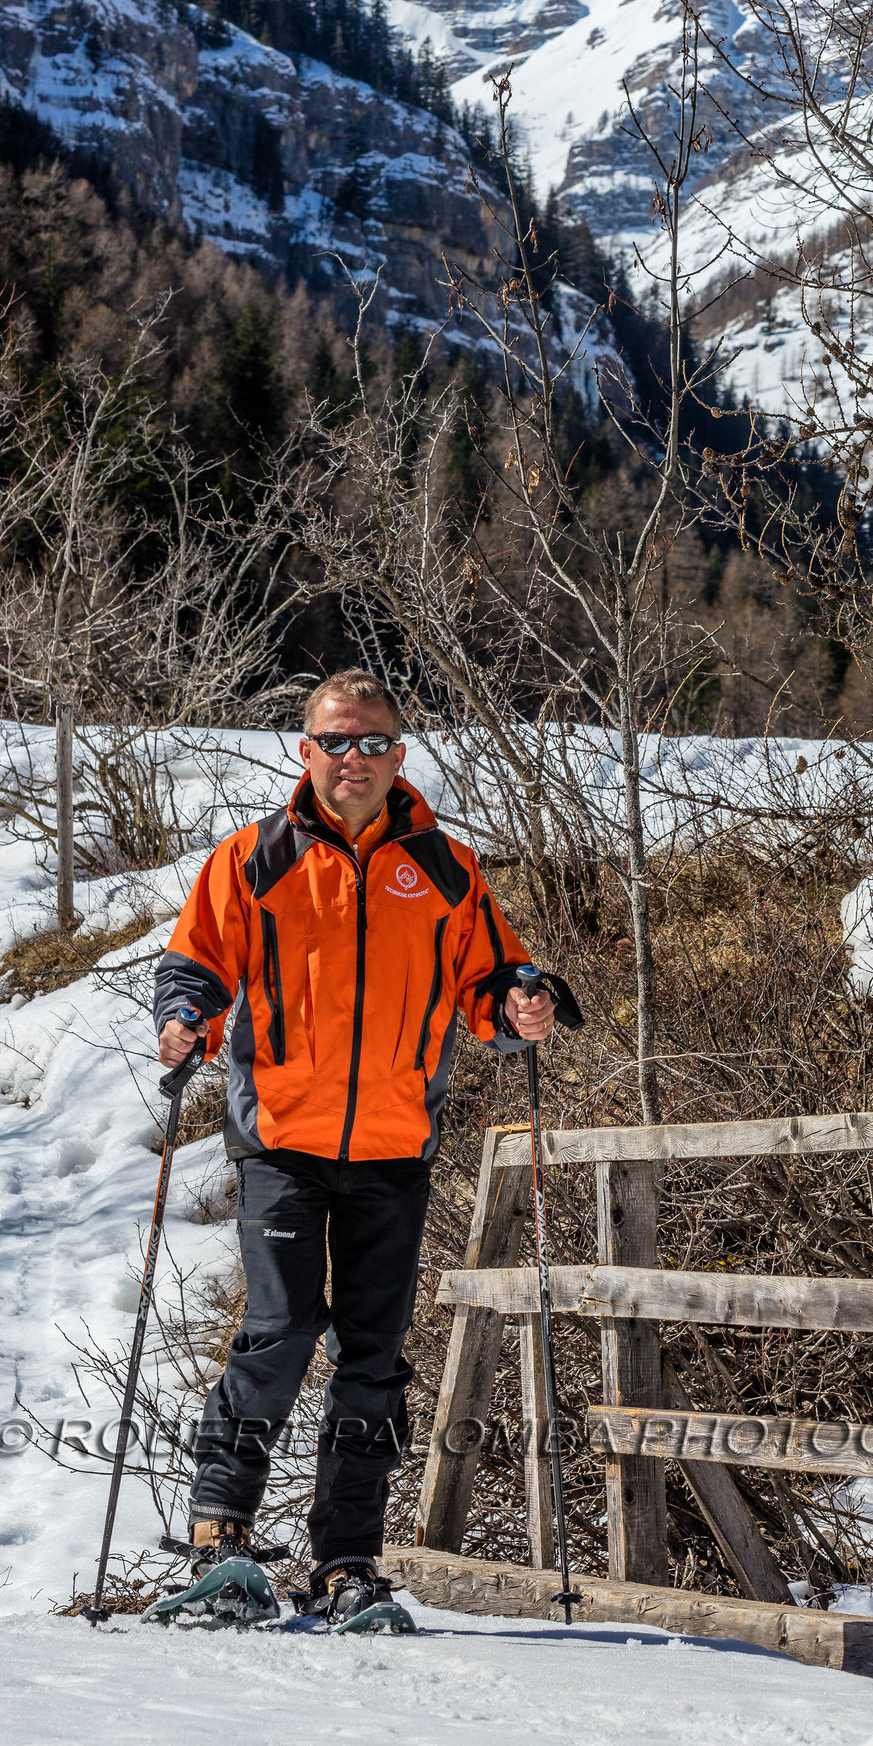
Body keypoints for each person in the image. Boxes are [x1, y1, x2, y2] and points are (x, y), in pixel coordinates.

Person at [153, 667, 554, 1628]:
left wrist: (520, 1006)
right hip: (281, 1142)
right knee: (280, 1333)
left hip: (392, 1147)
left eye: (373, 742)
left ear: (399, 755)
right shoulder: (256, 858)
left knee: (372, 1358)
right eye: (337, 741)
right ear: (307, 751)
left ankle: (345, 1563)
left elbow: (490, 982)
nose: (355, 760)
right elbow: (196, 962)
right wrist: (184, 1021)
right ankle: (222, 1541)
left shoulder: (447, 868)